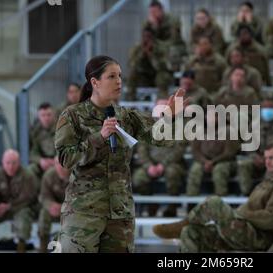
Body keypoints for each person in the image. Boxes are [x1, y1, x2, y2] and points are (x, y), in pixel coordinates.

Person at [54, 55, 186, 253]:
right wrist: (100, 137)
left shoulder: (125, 116)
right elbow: (66, 158)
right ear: (95, 82)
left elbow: (160, 138)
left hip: (119, 212)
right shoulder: (72, 115)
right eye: (112, 76)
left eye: (120, 76)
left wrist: (170, 117)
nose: (119, 81)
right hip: (83, 213)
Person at [152, 141, 273, 252]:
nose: (267, 162)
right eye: (266, 158)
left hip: (259, 238)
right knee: (191, 232)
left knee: (215, 203)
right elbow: (248, 208)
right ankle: (184, 227)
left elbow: (270, 220)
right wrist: (237, 215)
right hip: (246, 229)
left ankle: (182, 224)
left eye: (272, 158)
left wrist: (240, 215)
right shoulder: (269, 182)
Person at [0, 150, 37, 253]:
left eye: (14, 163)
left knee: (24, 216)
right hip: (0, 210)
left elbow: (28, 197)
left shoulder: (28, 176)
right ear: (3, 162)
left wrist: (8, 206)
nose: (11, 166)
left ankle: (21, 248)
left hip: (19, 208)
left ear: (19, 162)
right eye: (8, 163)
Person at [37, 156, 69, 253]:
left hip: (70, 210)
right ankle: (43, 247)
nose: (60, 167)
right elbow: (43, 196)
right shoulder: (49, 175)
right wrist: (50, 205)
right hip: (54, 210)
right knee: (43, 213)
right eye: (57, 164)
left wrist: (63, 208)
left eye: (63, 164)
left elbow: (80, 198)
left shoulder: (76, 175)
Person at [29, 103, 57, 184]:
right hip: (43, 162)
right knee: (31, 169)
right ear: (39, 117)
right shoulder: (35, 132)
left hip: (59, 162)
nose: (46, 118)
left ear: (54, 115)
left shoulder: (62, 128)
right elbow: (33, 153)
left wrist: (56, 161)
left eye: (49, 115)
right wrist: (40, 161)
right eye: (43, 115)